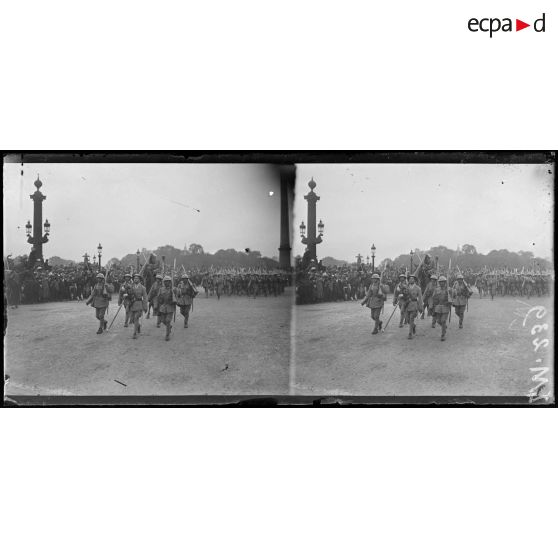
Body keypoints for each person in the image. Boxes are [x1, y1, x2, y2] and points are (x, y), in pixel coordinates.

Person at [126, 273, 148, 339]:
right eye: (134, 278)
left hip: (139, 304)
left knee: (136, 318)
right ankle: (138, 326)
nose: (135, 279)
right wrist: (125, 294)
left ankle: (134, 333)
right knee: (132, 319)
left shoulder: (143, 288)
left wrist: (145, 307)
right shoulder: (130, 287)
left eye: (137, 278)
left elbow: (145, 298)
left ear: (140, 280)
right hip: (132, 304)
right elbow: (128, 296)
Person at [432, 276, 452, 341]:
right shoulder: (436, 289)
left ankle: (443, 335)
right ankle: (444, 326)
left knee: (443, 320)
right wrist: (434, 304)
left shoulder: (448, 289)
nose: (441, 283)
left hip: (445, 307)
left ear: (445, 282)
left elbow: (453, 296)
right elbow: (434, 297)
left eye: (443, 282)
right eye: (440, 282)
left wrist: (450, 298)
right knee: (438, 321)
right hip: (438, 307)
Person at [157, 276, 177, 341]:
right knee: (163, 320)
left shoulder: (173, 289)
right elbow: (159, 297)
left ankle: (167, 335)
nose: (166, 283)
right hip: (163, 306)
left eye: (168, 282)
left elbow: (177, 297)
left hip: (170, 307)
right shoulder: (161, 289)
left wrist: (174, 296)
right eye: (165, 282)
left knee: (168, 320)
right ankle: (169, 327)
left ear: (170, 282)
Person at [404, 274, 423, 339]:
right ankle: (413, 326)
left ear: (414, 280)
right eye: (409, 279)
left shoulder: (418, 288)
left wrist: (421, 307)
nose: (411, 280)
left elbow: (420, 298)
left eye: (412, 279)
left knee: (411, 318)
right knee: (407, 320)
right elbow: (403, 296)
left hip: (414, 305)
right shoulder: (406, 287)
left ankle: (410, 333)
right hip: (407, 305)